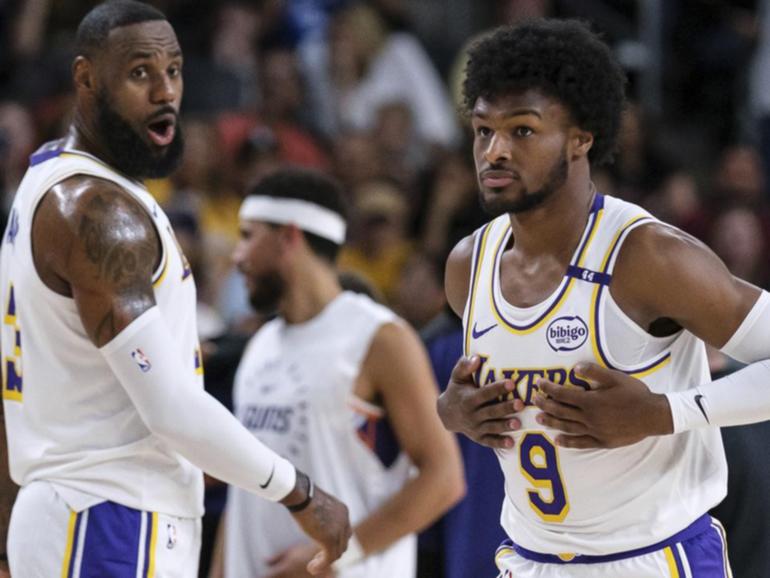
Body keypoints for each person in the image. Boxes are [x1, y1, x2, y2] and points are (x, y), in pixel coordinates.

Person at [0, 2, 351, 576]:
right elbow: (169, 407)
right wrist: (300, 492)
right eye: (141, 72)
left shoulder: (47, 186)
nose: (165, 91)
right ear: (86, 78)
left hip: (82, 516)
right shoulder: (98, 211)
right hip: (105, 518)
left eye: (175, 70)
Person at [436, 18, 768, 577]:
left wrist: (663, 413)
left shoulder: (647, 257)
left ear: (581, 137)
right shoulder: (468, 266)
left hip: (653, 558)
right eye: (483, 130)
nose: (494, 152)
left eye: (522, 131)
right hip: (529, 560)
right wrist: (451, 411)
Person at [215, 169, 465, 577]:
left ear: (288, 238)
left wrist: (336, 557)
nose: (237, 256)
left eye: (248, 236)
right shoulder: (261, 344)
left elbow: (444, 478)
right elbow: (245, 490)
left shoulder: (379, 336)